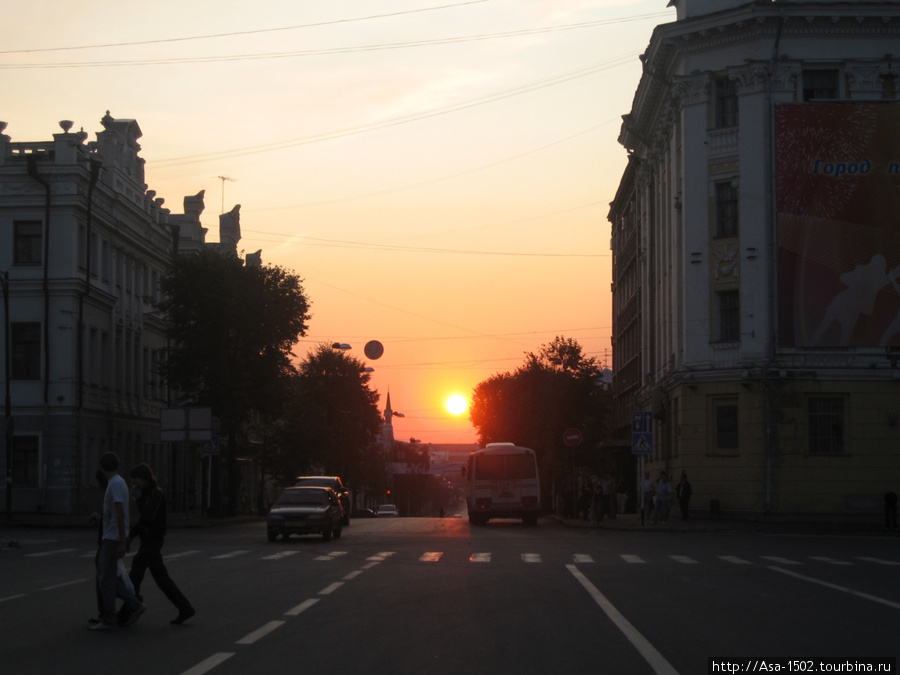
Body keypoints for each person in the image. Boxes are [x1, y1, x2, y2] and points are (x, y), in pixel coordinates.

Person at [124, 463, 196, 625]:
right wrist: (131, 536)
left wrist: (138, 499)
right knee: (158, 578)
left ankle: (128, 610)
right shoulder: (148, 493)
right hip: (148, 541)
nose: (134, 484)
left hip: (153, 541)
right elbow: (143, 521)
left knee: (137, 575)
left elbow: (148, 516)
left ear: (143, 479)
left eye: (136, 480)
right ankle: (185, 608)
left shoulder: (156, 494)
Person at [91, 452, 145, 631]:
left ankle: (112, 617)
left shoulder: (114, 485)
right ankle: (127, 607)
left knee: (105, 579)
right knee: (107, 579)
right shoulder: (120, 482)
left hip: (112, 537)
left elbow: (120, 513)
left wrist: (122, 541)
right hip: (114, 535)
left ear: (101, 467)